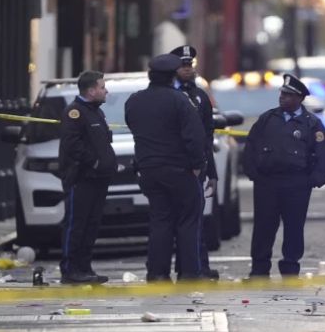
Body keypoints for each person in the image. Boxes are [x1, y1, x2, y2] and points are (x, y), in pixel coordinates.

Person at [125, 54, 207, 281]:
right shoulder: (180, 101)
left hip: (149, 170)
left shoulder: (134, 101)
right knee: (188, 222)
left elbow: (134, 127)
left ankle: (157, 273)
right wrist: (197, 165)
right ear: (173, 77)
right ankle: (189, 272)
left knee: (160, 221)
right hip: (180, 170)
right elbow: (194, 137)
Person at [243, 74, 325, 278]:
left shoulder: (311, 124)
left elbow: (323, 154)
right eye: (282, 93)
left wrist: (313, 180)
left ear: (300, 98)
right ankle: (259, 269)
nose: (283, 98)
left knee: (293, 228)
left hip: (297, 184)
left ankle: (290, 268)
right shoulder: (268, 119)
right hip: (267, 182)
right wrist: (253, 173)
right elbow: (251, 147)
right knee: (263, 227)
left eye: (288, 95)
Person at [58, 70, 116, 284]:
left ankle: (84, 268)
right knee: (76, 223)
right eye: (102, 87)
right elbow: (73, 145)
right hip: (81, 178)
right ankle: (70, 269)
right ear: (91, 90)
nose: (105, 91)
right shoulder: (75, 112)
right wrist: (95, 162)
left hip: (98, 179)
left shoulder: (95, 112)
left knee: (92, 224)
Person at [170, 45, 219, 280]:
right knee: (177, 221)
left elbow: (207, 136)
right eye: (183, 66)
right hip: (175, 166)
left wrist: (212, 172)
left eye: (190, 65)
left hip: (196, 167)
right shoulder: (169, 94)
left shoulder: (200, 95)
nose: (187, 70)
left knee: (195, 220)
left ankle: (199, 267)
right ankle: (186, 268)